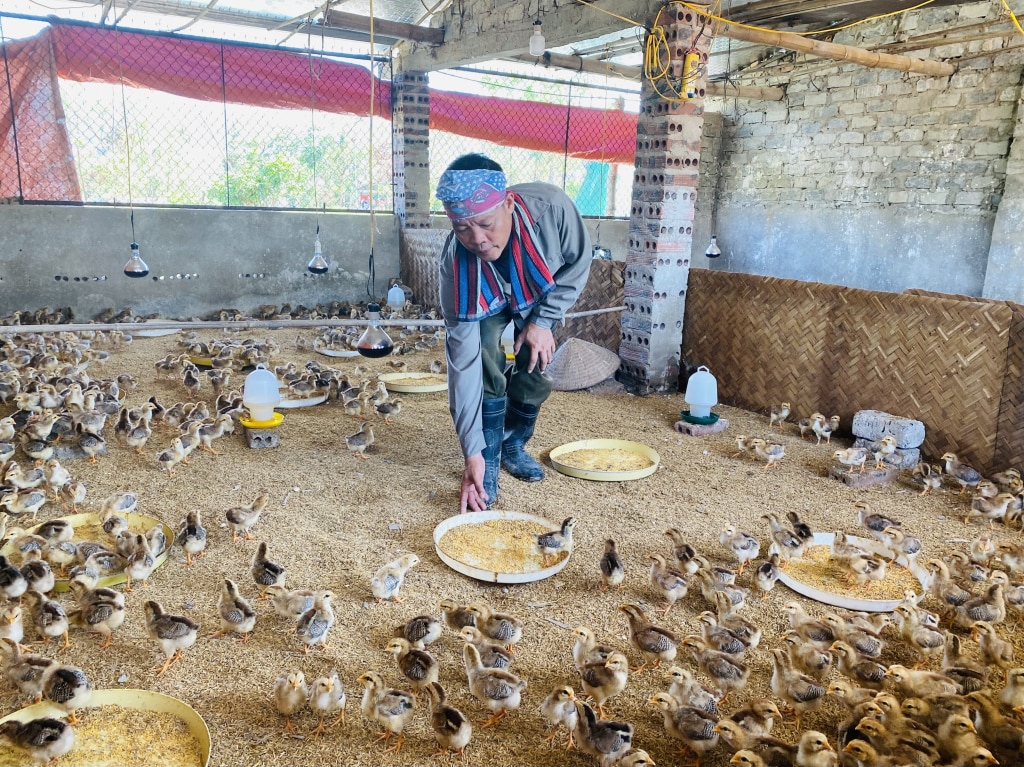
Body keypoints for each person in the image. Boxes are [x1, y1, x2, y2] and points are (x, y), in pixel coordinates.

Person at [437, 154, 593, 513]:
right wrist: (471, 452)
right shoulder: (454, 267)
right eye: (462, 228)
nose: (477, 239)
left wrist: (543, 321)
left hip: (540, 289)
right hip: (483, 293)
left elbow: (579, 260)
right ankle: (489, 457)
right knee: (485, 358)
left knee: (535, 361)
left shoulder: (552, 209)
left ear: (507, 203)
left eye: (486, 223)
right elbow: (463, 365)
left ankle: (513, 443)